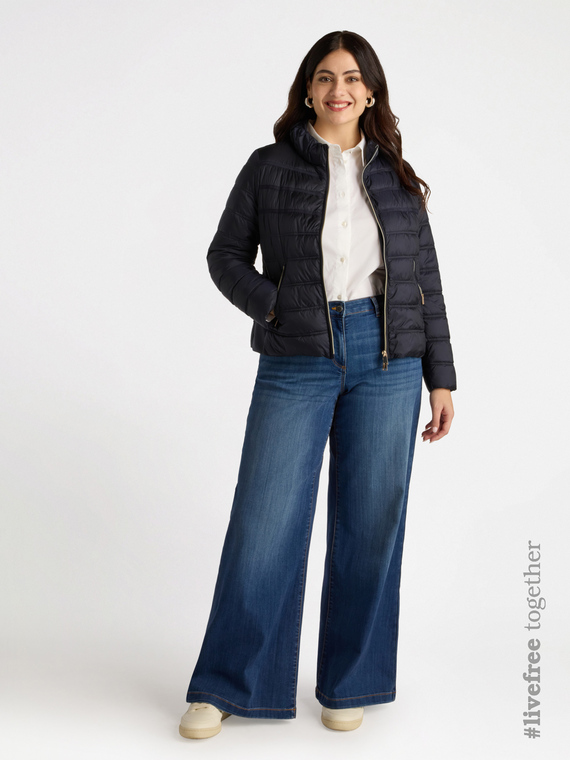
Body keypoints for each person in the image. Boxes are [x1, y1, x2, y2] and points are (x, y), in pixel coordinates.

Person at [179, 30, 456, 740]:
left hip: (389, 361)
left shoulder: (397, 176)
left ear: (371, 91)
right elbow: (225, 256)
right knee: (264, 523)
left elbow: (425, 283)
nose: (340, 89)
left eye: (353, 77)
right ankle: (226, 685)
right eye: (327, 76)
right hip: (297, 355)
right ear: (308, 89)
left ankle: (350, 681)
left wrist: (441, 378)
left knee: (371, 525)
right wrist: (277, 306)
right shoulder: (269, 166)